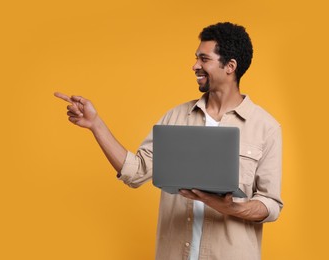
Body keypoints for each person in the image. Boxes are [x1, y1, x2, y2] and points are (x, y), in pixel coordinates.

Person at [54, 22, 283, 260]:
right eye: (196, 58)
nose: (195, 66)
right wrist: (95, 124)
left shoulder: (266, 128)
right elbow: (136, 172)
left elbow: (270, 204)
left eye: (204, 59)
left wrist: (230, 208)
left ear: (230, 66)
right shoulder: (175, 117)